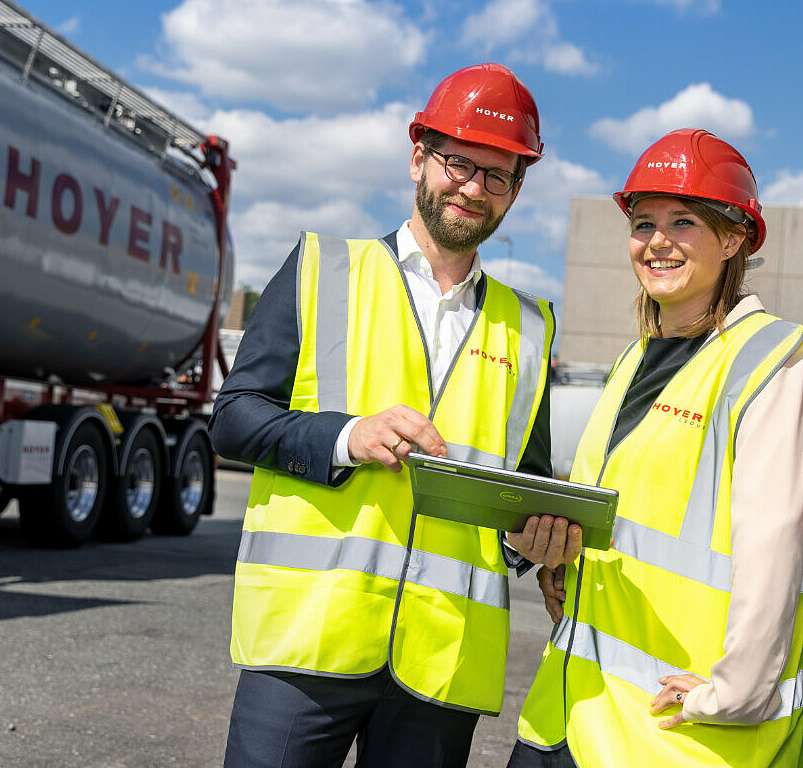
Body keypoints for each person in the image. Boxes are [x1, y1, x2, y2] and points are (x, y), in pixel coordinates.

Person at [210, 62, 583, 768]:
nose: (472, 188)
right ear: (418, 157)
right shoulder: (322, 268)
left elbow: (519, 486)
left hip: (442, 657)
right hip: (307, 642)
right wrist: (350, 435)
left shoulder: (529, 327)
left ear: (514, 189)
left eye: (495, 175)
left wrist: (527, 543)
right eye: (458, 163)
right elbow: (233, 419)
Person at [511, 129, 803, 767]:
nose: (657, 240)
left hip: (676, 732)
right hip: (570, 709)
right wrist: (562, 563)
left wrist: (736, 693)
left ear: (734, 239)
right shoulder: (634, 359)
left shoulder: (771, 361)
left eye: (683, 221)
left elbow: (776, 542)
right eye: (643, 223)